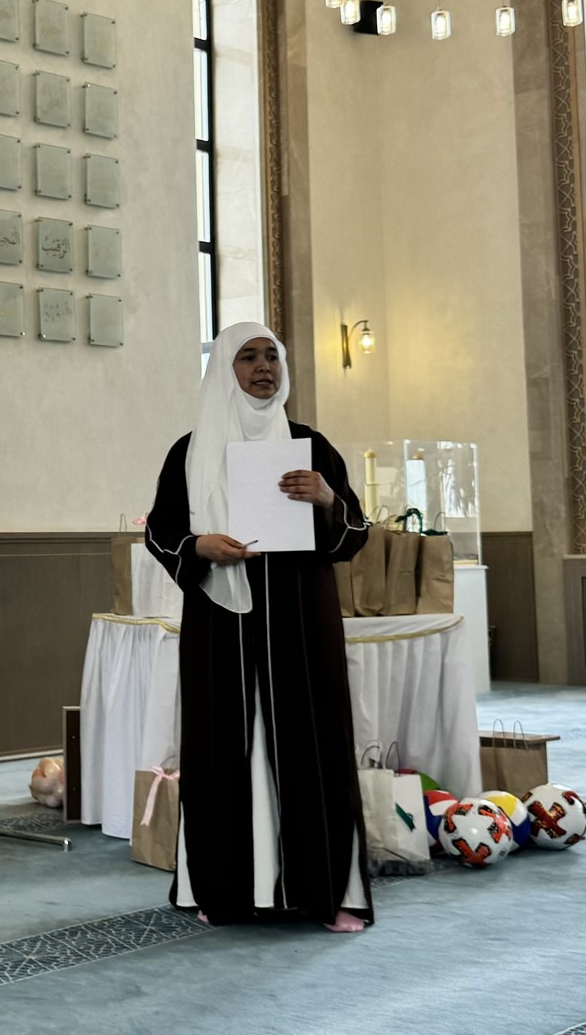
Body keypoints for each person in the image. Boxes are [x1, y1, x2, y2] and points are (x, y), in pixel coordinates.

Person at [143, 323, 373, 933]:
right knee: (221, 746)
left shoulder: (310, 446)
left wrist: (328, 500)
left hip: (300, 616)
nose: (263, 367)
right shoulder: (190, 451)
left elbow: (356, 533)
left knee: (312, 743)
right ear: (225, 368)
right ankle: (221, 888)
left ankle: (327, 890)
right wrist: (199, 546)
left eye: (272, 356)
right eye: (247, 357)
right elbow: (161, 532)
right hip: (221, 621)